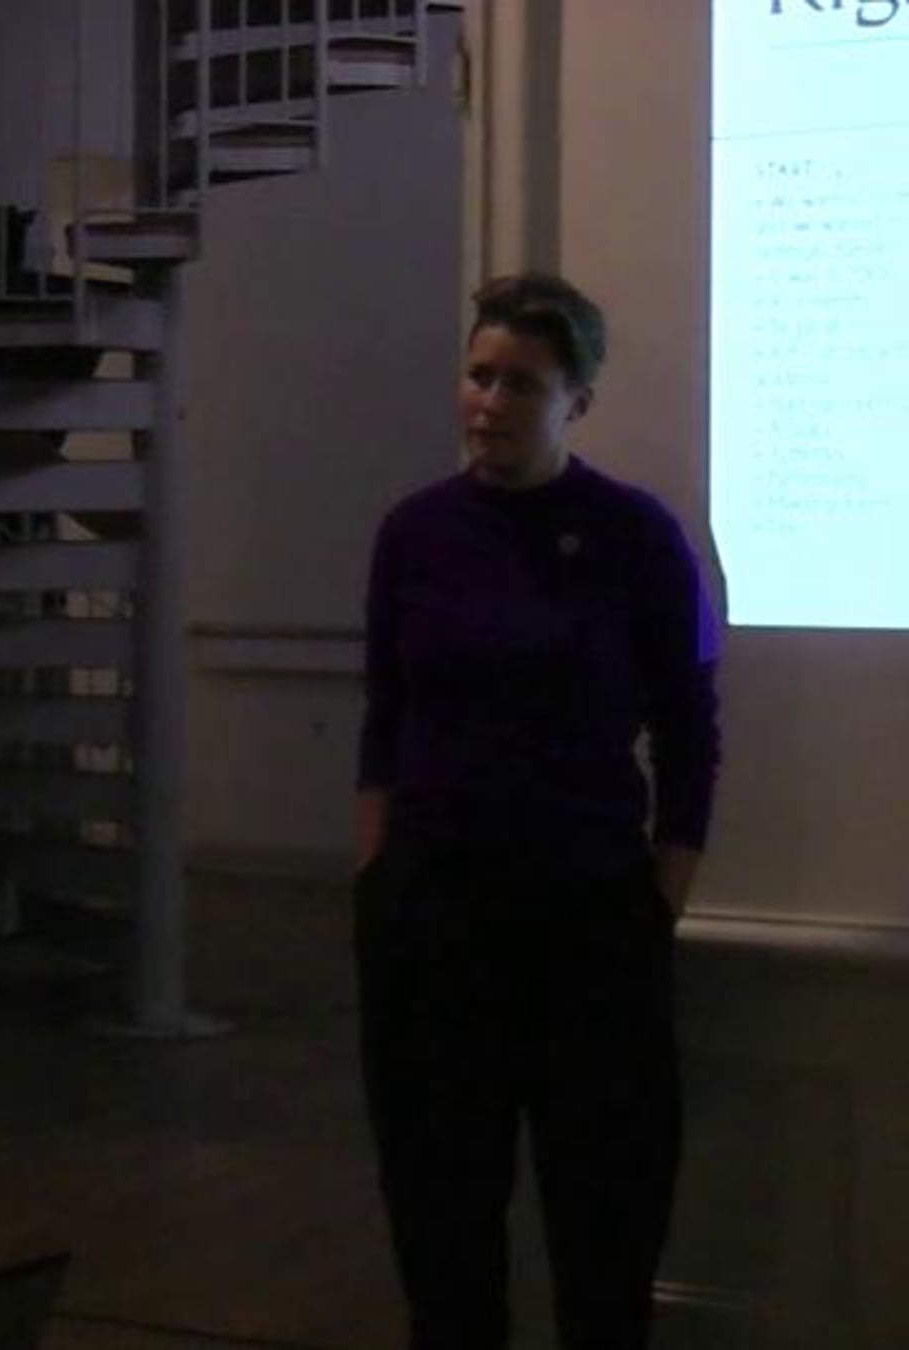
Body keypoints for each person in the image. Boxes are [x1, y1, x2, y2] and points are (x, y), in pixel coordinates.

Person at [353, 273, 721, 1348]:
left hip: (588, 922)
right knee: (441, 1220)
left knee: (605, 1224)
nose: (490, 402)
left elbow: (689, 731)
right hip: (433, 920)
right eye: (479, 375)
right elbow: (386, 713)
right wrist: (375, 879)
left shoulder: (636, 537)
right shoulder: (414, 533)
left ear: (577, 401)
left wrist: (659, 898)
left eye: (522, 383)